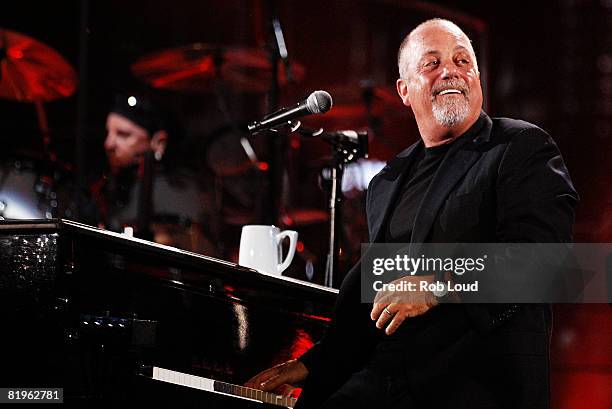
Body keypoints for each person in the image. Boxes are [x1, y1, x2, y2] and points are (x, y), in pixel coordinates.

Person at [245, 18, 578, 409]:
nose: (450, 70)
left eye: (462, 60)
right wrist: (314, 364)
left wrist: (439, 284)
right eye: (432, 63)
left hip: (475, 384)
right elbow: (374, 291)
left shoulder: (519, 147)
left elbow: (544, 262)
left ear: (478, 78)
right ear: (404, 90)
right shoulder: (389, 181)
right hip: (388, 381)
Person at [91, 94, 214, 254]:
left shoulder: (178, 189)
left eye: (123, 134)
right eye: (108, 132)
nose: (108, 144)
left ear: (159, 142)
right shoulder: (108, 185)